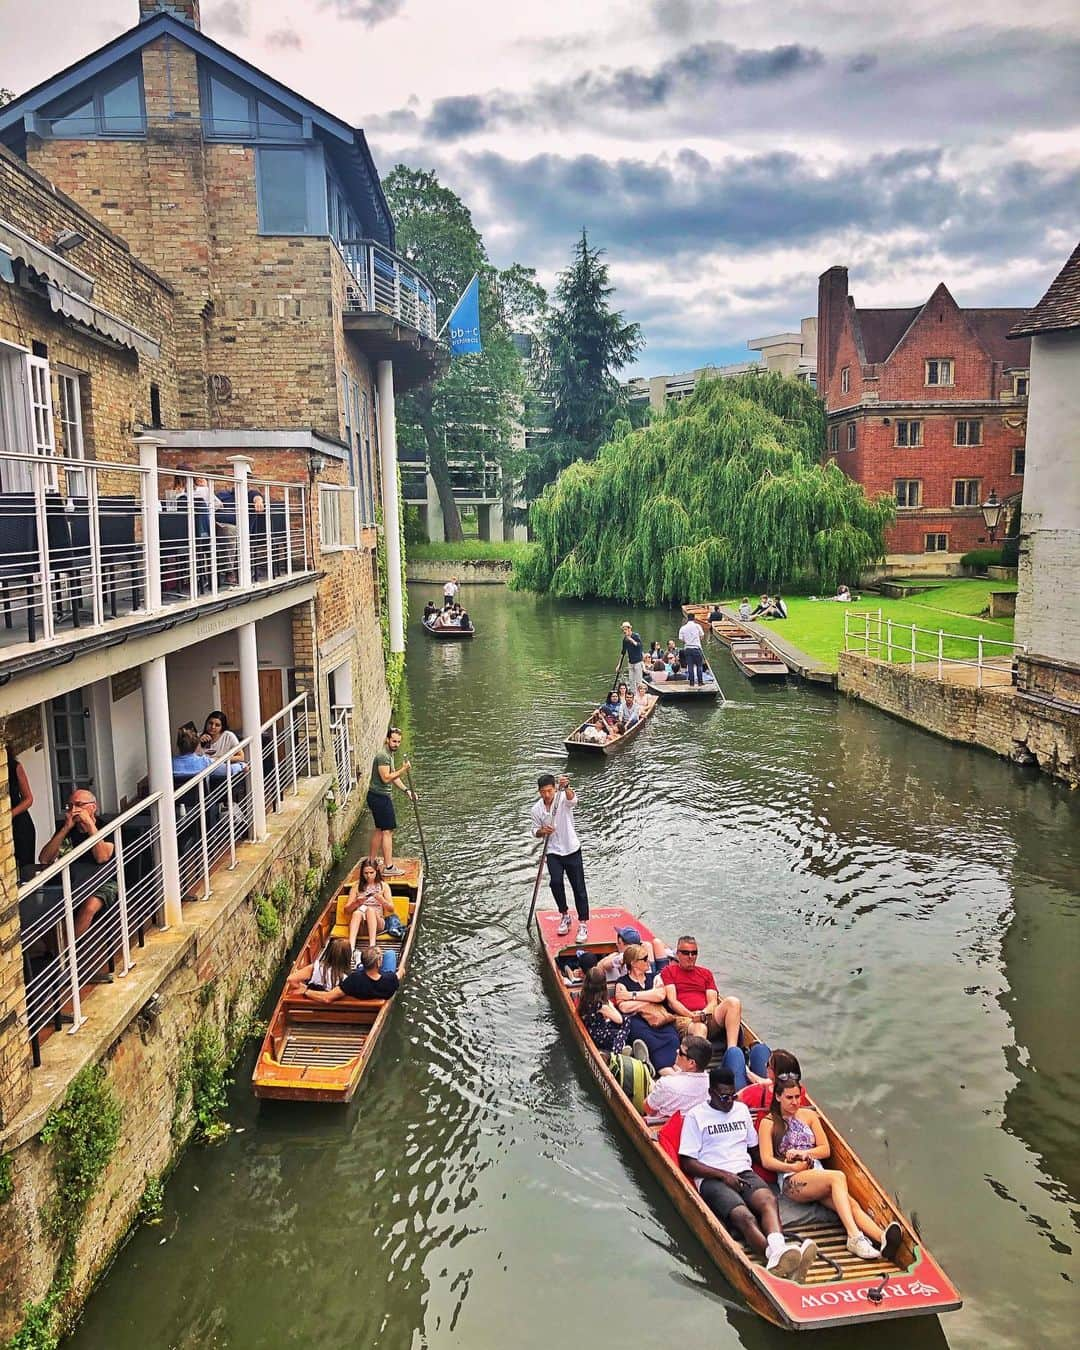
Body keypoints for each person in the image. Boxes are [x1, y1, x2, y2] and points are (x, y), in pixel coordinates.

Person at [680, 1067, 816, 1280]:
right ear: (711, 1093)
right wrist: (723, 1176)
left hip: (743, 1171)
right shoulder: (696, 1117)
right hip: (711, 1178)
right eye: (723, 1096)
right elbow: (687, 1162)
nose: (729, 1101)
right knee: (744, 1216)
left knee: (768, 1200)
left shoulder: (741, 1110)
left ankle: (780, 1249)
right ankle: (773, 1258)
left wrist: (786, 1159)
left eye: (732, 1095)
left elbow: (755, 1151)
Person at [758, 1077, 902, 1263]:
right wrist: (791, 1165)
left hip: (817, 1175)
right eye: (789, 1098)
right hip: (793, 1180)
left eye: (797, 1097)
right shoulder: (768, 1123)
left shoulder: (809, 1116)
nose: (795, 1102)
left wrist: (805, 1153)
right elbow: (767, 1160)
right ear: (778, 1097)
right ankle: (854, 1237)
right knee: (837, 1177)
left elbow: (825, 1149)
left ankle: (881, 1238)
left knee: (851, 1205)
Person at [661, 937, 769, 1089]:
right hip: (684, 1019)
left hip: (706, 1015)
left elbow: (713, 1001)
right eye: (686, 953)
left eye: (694, 953)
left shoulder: (705, 973)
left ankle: (732, 1052)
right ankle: (701, 1077)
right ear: (678, 953)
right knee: (700, 1027)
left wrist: (703, 1014)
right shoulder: (669, 971)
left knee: (733, 1002)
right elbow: (672, 1001)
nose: (690, 956)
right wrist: (693, 1016)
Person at [39, 789, 117, 939]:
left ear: (93, 807)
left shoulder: (107, 826)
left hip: (102, 881)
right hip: (70, 881)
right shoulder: (66, 828)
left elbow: (102, 857)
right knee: (49, 905)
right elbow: (44, 859)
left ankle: (69, 950)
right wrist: (65, 829)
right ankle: (52, 947)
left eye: (79, 805)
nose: (74, 810)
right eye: (70, 806)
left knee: (90, 905)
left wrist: (89, 825)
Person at [530, 773, 589, 941]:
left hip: (571, 849)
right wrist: (543, 831)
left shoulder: (562, 798)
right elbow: (535, 831)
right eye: (543, 791)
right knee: (555, 882)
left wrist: (567, 786)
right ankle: (564, 915)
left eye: (549, 791)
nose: (547, 795)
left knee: (578, 887)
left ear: (554, 789)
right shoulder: (536, 809)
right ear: (539, 791)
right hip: (553, 851)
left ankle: (583, 923)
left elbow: (573, 800)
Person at [614, 944, 680, 1073]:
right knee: (649, 1041)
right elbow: (624, 1007)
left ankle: (677, 1069)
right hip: (637, 1022)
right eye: (644, 959)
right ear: (633, 963)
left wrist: (632, 996)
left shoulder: (655, 977)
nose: (648, 961)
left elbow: (660, 995)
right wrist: (649, 1000)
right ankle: (663, 1070)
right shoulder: (622, 982)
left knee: (673, 1038)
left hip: (659, 1020)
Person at [368, 726, 415, 877]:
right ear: (387, 739)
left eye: (398, 742)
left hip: (377, 797)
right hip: (380, 798)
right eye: (394, 741)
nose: (396, 744)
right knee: (388, 831)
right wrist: (403, 769)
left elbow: (394, 778)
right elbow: (386, 778)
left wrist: (407, 790)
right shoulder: (383, 756)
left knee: (380, 830)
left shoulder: (389, 755)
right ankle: (389, 867)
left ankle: (371, 861)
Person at [643, 1034, 712, 1117]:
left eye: (681, 1052)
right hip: (693, 1126)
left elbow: (647, 1108)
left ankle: (644, 1065)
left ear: (691, 1063)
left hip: (662, 1127)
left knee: (649, 1084)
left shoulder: (666, 1084)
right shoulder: (713, 1086)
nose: (677, 1051)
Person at [307, 945, 400, 1003]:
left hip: (364, 979)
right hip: (381, 981)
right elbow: (397, 976)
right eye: (380, 958)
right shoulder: (390, 979)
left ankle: (359, 963)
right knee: (390, 953)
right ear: (379, 963)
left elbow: (327, 997)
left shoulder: (354, 979)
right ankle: (360, 963)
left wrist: (306, 991)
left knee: (361, 970)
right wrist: (401, 971)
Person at [577, 966, 627, 1055]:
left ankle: (622, 1047)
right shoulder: (601, 1005)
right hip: (598, 1036)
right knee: (625, 1024)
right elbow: (619, 1020)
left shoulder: (584, 997)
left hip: (592, 1030)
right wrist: (609, 1004)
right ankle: (616, 1053)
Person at [598, 925, 672, 982]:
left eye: (619, 943)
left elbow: (605, 965)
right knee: (655, 942)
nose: (616, 944)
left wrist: (614, 954)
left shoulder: (622, 956)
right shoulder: (642, 949)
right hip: (656, 975)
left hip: (648, 980)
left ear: (628, 946)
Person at [286, 936, 358, 993]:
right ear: (348, 956)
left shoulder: (316, 968)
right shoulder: (349, 979)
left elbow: (291, 979)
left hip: (313, 1007)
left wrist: (305, 988)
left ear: (329, 952)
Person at [8, 749, 36, 880]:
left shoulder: (14, 767)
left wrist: (10, 815)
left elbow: (28, 799)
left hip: (20, 823)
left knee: (26, 868)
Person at [677, 613, 706, 687]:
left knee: (690, 666)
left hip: (688, 648)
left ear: (687, 618)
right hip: (696, 648)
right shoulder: (697, 626)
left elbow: (681, 639)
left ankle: (691, 683)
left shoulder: (683, 628)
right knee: (699, 666)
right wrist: (697, 640)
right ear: (694, 618)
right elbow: (702, 636)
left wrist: (687, 641)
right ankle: (700, 682)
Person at [620, 622, 645, 697]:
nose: (624, 631)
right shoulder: (625, 639)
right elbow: (623, 652)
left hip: (638, 661)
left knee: (638, 681)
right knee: (631, 680)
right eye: (623, 630)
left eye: (625, 629)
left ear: (629, 629)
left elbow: (639, 646)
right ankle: (633, 696)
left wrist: (630, 639)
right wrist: (619, 665)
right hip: (630, 662)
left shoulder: (636, 636)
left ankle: (640, 696)